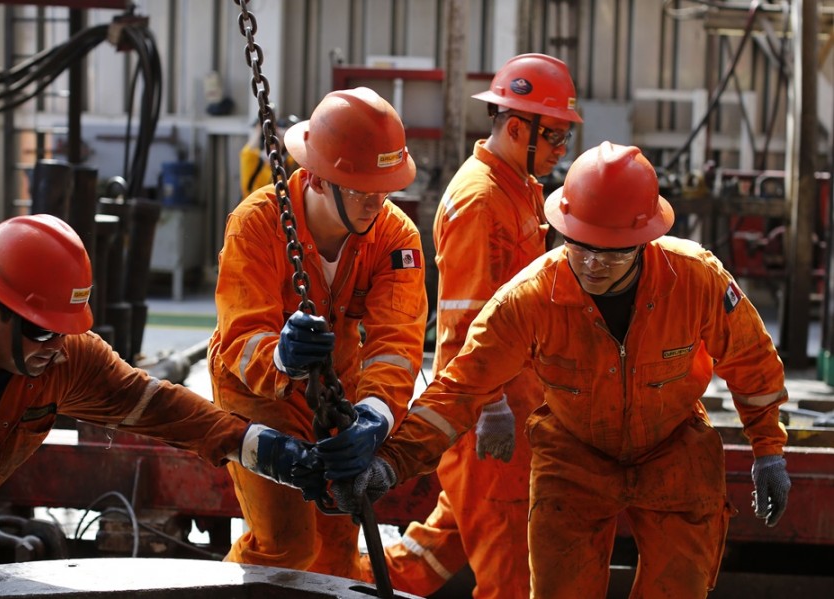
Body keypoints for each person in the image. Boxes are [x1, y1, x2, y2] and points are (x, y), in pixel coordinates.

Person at [320, 141, 792, 598]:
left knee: (679, 587)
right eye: (579, 245)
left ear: (644, 241)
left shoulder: (695, 280)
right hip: (573, 456)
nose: (590, 264)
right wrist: (391, 461)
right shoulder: (530, 298)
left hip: (674, 448)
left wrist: (768, 450)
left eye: (610, 252)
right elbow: (459, 388)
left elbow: (751, 361)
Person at [0, 214, 321, 573]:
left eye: (66, 329)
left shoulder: (64, 358)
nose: (57, 347)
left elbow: (154, 404)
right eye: (40, 331)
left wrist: (261, 448)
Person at [356, 53, 582, 598]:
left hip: (507, 412)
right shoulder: (481, 201)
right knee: (507, 573)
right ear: (514, 128)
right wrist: (496, 409)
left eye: (564, 139)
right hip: (488, 420)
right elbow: (467, 323)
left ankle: (336, 584)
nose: (560, 151)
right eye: (553, 137)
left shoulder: (519, 187)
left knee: (434, 552)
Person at [209, 86, 428, 580]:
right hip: (257, 395)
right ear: (314, 179)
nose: (376, 203)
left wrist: (374, 416)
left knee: (334, 556)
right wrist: (281, 358)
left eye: (384, 189)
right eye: (360, 190)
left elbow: (398, 342)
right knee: (284, 545)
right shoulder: (257, 226)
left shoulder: (396, 238)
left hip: (337, 392)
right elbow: (242, 337)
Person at [239, 110, 300, 198]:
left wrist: (292, 133)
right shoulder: (255, 161)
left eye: (279, 137)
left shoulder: (287, 163)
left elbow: (299, 157)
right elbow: (248, 151)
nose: (274, 143)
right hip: (257, 206)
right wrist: (260, 127)